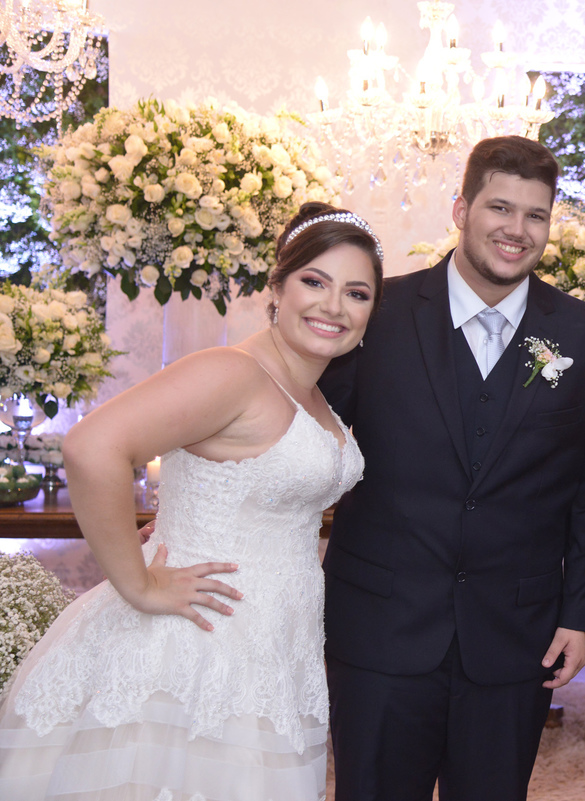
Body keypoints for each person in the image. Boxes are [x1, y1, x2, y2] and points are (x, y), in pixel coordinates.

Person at [0, 202, 383, 799]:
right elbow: (91, 446)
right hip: (200, 637)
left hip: (276, 644)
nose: (334, 306)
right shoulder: (234, 372)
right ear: (277, 287)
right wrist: (139, 585)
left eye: (356, 293)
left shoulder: (311, 394)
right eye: (315, 282)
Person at [317, 136, 585, 801]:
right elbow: (309, 434)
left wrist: (580, 614)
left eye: (535, 215)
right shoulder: (377, 312)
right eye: (500, 208)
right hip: (380, 627)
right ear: (461, 210)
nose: (517, 230)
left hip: (515, 635)